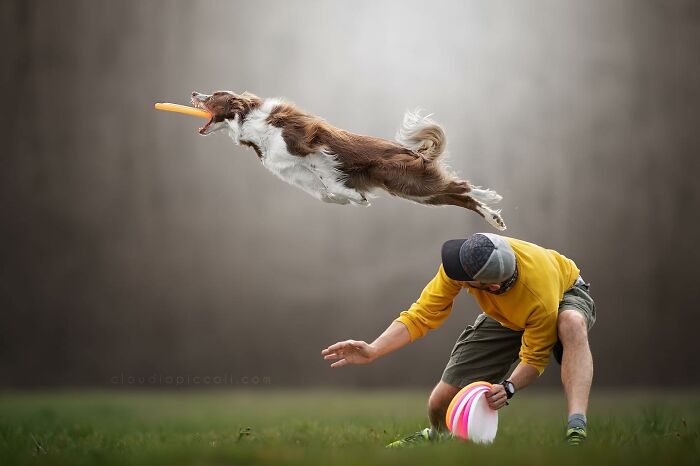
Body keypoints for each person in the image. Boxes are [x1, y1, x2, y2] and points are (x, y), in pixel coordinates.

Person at [321, 233, 596, 446]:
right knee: (439, 402)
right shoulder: (470, 258)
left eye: (465, 278)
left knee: (570, 324)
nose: (453, 272)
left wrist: (509, 387)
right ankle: (441, 439)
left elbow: (534, 359)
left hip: (564, 294)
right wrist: (373, 350)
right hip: (507, 315)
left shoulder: (539, 295)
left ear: (491, 286)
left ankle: (576, 427)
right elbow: (420, 315)